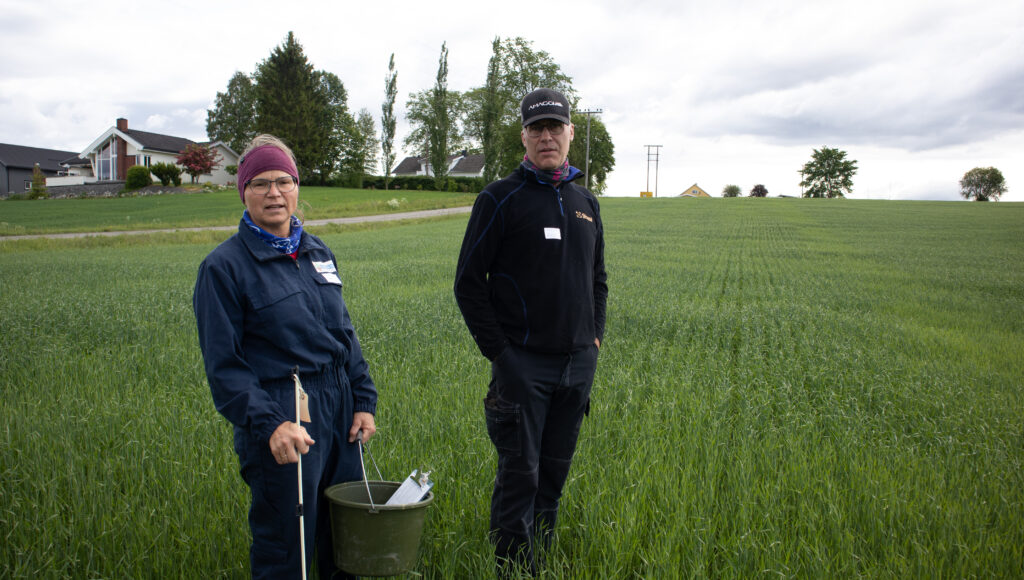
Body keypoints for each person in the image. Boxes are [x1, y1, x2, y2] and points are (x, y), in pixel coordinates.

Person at [193, 134, 377, 579]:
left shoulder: (317, 251)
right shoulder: (224, 267)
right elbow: (225, 368)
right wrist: (270, 423)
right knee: (286, 547)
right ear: (244, 192)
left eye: (283, 181)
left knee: (346, 538)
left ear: (297, 188)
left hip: (339, 410)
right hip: (283, 410)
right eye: (259, 184)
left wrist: (364, 400)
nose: (273, 193)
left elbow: (344, 333)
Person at [454, 88, 608, 576]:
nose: (547, 137)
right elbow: (467, 284)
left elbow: (598, 279)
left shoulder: (586, 201)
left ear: (570, 134)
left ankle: (541, 558)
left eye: (555, 127)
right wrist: (502, 355)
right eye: (537, 128)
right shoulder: (500, 198)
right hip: (523, 366)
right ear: (523, 136)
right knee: (520, 475)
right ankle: (514, 568)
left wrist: (594, 340)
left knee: (554, 474)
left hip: (576, 365)